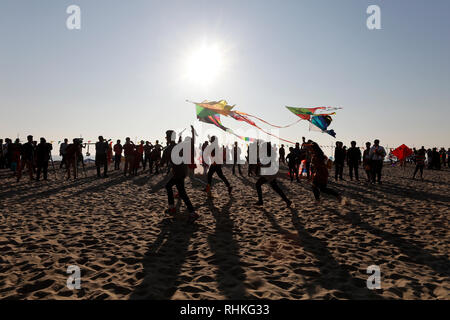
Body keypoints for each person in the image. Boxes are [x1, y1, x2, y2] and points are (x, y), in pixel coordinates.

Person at [161, 126, 198, 222]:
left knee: (181, 192)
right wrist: (193, 133)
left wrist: (159, 162)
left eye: (166, 137)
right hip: (182, 171)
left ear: (168, 138)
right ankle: (172, 207)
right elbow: (191, 144)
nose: (166, 138)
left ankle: (192, 212)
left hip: (177, 173)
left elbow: (162, 164)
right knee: (169, 186)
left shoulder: (167, 149)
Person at [255, 141, 291, 207]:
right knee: (276, 188)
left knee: (258, 184)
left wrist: (260, 164)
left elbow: (267, 164)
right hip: (270, 173)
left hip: (269, 174)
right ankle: (287, 201)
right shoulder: (269, 154)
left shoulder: (268, 154)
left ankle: (260, 201)